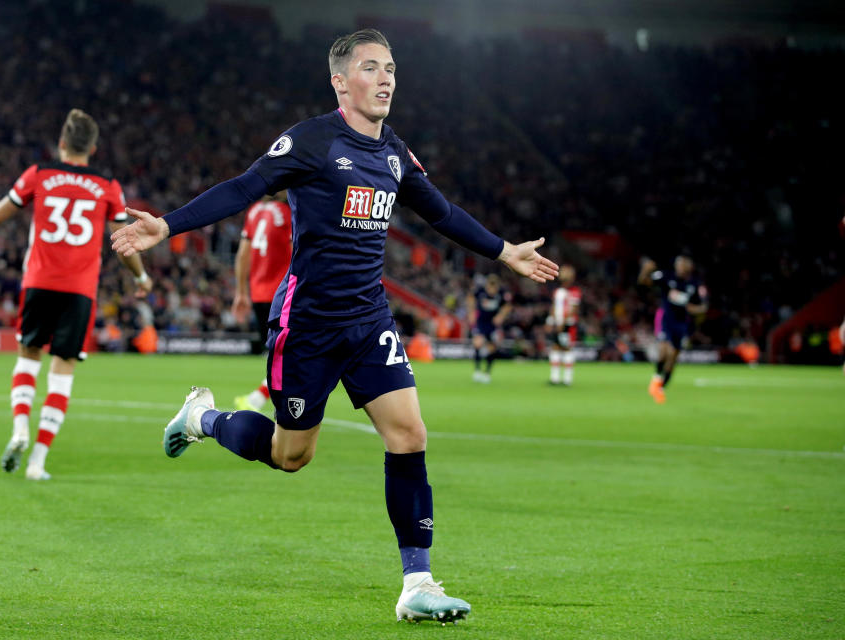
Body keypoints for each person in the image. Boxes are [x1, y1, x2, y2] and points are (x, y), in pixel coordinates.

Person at [111, 29, 558, 624]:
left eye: (392, 67)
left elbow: (442, 213)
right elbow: (245, 187)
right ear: (340, 82)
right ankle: (203, 418)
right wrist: (166, 226)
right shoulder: (312, 141)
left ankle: (417, 582)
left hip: (368, 319)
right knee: (291, 455)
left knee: (409, 435)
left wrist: (505, 251)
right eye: (372, 67)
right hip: (310, 325)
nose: (387, 78)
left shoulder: (394, 152)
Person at [0, 109, 152, 480]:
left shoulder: (39, 174)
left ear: (61, 144)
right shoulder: (107, 184)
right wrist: (142, 276)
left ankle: (20, 428)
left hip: (38, 281)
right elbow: (124, 243)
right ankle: (38, 461)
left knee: (27, 357)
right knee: (62, 372)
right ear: (93, 147)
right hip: (79, 290)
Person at [231, 192, 293, 412]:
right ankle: (276, 407)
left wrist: (241, 292)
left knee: (282, 354)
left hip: (259, 296)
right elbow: (300, 250)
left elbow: (242, 254)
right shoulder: (290, 212)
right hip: (284, 295)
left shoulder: (254, 211)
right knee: (293, 354)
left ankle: (260, 399)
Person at [638, 255, 707, 404]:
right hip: (666, 320)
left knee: (673, 358)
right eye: (678, 265)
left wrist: (693, 309)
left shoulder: (694, 284)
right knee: (665, 351)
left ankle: (660, 387)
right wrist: (645, 271)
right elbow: (644, 282)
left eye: (683, 265)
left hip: (682, 324)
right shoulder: (667, 277)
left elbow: (702, 307)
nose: (680, 268)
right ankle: (656, 379)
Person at [465, 274, 513, 383]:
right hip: (481, 323)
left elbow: (508, 306)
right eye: (490, 288)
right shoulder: (480, 291)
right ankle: (477, 371)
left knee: (492, 348)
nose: (492, 290)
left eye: (494, 288)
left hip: (492, 324)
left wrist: (501, 316)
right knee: (477, 343)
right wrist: (471, 312)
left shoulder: (501, 294)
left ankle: (487, 373)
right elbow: (470, 297)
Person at [548, 264, 581, 386]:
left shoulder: (574, 291)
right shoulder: (557, 291)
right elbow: (554, 307)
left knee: (567, 348)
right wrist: (550, 321)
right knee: (556, 347)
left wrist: (563, 322)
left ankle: (567, 379)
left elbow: (574, 309)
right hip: (558, 324)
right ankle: (555, 378)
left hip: (568, 325)